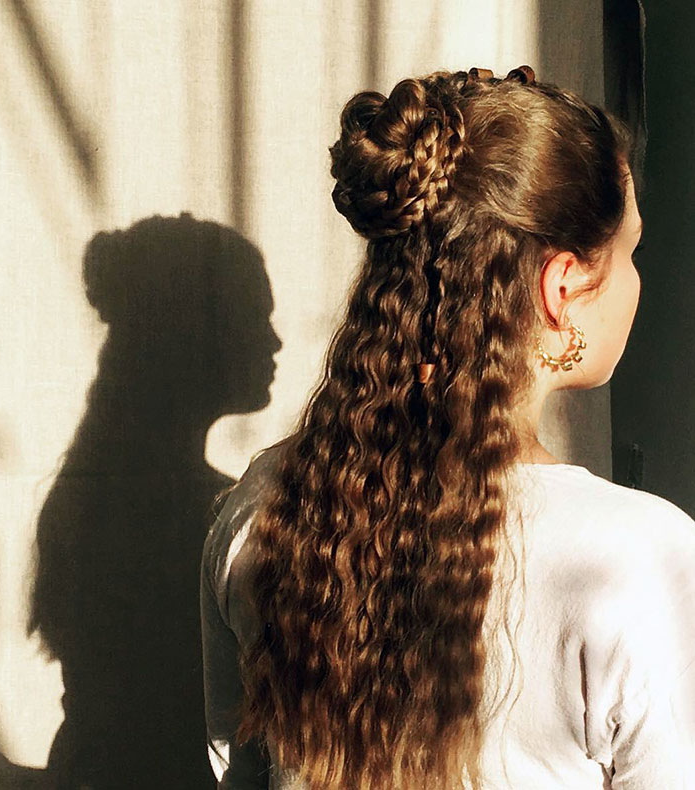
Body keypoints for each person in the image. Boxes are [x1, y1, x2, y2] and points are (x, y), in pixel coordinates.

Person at [200, 66, 695, 789]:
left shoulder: (262, 507)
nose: (637, 280)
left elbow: (235, 773)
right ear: (562, 288)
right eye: (630, 252)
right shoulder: (643, 557)